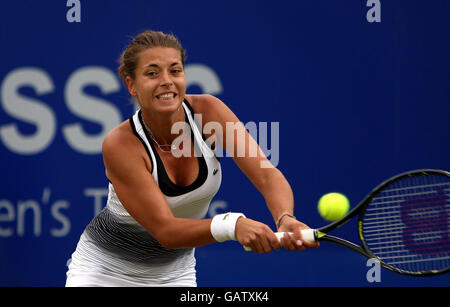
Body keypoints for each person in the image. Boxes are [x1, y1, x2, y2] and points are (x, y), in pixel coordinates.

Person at [65, 30, 318, 287]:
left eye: (175, 71)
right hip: (103, 273)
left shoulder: (209, 112)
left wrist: (285, 218)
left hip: (175, 275)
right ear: (132, 85)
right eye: (152, 73)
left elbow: (266, 174)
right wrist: (232, 225)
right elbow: (166, 231)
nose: (167, 81)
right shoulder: (120, 144)